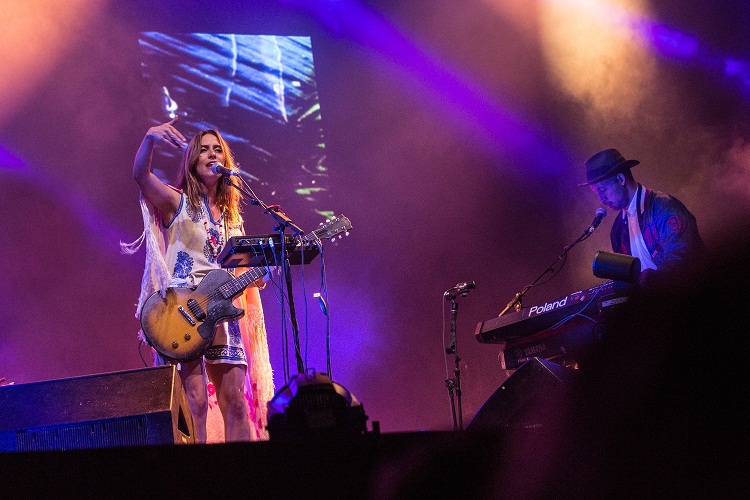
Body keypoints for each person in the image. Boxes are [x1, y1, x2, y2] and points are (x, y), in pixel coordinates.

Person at [124, 116, 274, 443]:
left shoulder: (234, 217)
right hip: (183, 311)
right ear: (192, 160)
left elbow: (245, 275)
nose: (210, 155)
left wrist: (265, 270)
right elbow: (141, 176)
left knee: (235, 401)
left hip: (225, 313)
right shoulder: (176, 201)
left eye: (217, 150)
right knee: (195, 402)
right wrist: (150, 138)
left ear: (225, 161)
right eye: (203, 150)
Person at [580, 148, 704, 288]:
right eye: (597, 193)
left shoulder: (664, 207)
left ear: (621, 179)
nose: (601, 199)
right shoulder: (617, 230)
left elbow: (682, 257)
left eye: (602, 190)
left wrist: (653, 279)